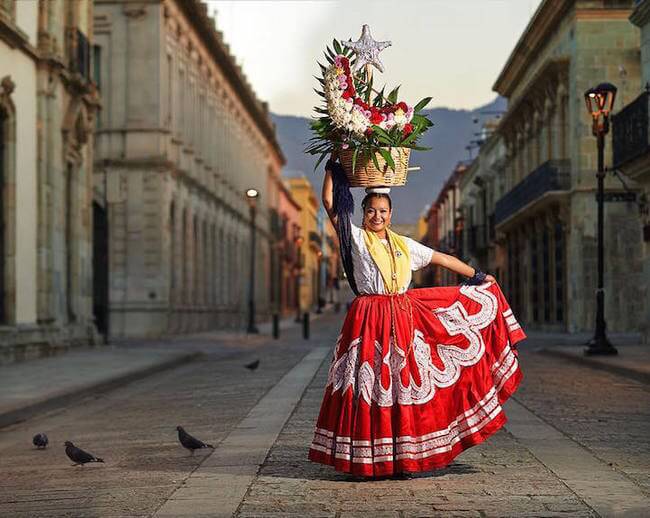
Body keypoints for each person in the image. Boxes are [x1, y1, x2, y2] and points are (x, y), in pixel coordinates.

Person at [308, 159, 526, 478]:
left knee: (401, 387)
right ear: (363, 213)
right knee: (369, 386)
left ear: (390, 214)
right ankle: (366, 459)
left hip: (402, 318)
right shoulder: (353, 239)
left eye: (383, 211)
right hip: (369, 319)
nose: (377, 216)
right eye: (371, 211)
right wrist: (332, 167)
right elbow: (329, 202)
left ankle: (402, 457)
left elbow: (442, 258)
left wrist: (478, 275)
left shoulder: (405, 246)